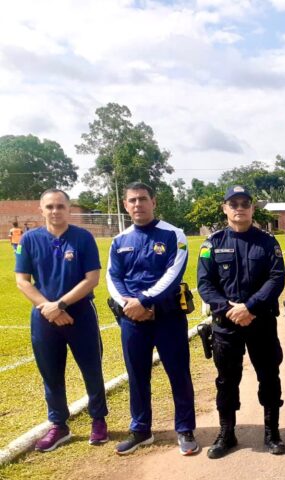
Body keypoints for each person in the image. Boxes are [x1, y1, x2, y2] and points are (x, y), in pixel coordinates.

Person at [107, 182, 198, 456]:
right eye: (132, 200)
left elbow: (173, 274)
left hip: (167, 317)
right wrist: (129, 304)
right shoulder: (119, 240)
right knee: (137, 375)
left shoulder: (174, 235)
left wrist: (144, 301)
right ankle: (141, 430)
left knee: (178, 373)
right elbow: (113, 278)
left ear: (153, 202)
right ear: (125, 205)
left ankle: (185, 429)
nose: (138, 204)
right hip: (132, 319)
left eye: (143, 199)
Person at [15, 189, 109, 452]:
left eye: (60, 206)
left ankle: (98, 419)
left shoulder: (83, 238)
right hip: (44, 317)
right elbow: (22, 280)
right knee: (51, 373)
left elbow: (92, 278)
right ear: (41, 209)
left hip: (80, 314)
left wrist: (61, 305)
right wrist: (48, 308)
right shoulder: (30, 239)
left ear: (68, 209)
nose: (55, 211)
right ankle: (58, 425)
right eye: (50, 206)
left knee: (91, 369)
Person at [197, 185, 285, 458]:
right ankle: (227, 433)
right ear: (225, 208)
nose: (239, 208)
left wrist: (250, 307)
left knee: (269, 376)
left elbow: (276, 278)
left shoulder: (267, 242)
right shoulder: (211, 243)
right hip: (226, 324)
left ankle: (272, 432)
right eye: (233, 203)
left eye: (245, 203)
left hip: (260, 321)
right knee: (226, 380)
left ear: (252, 208)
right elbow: (205, 283)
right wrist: (228, 309)